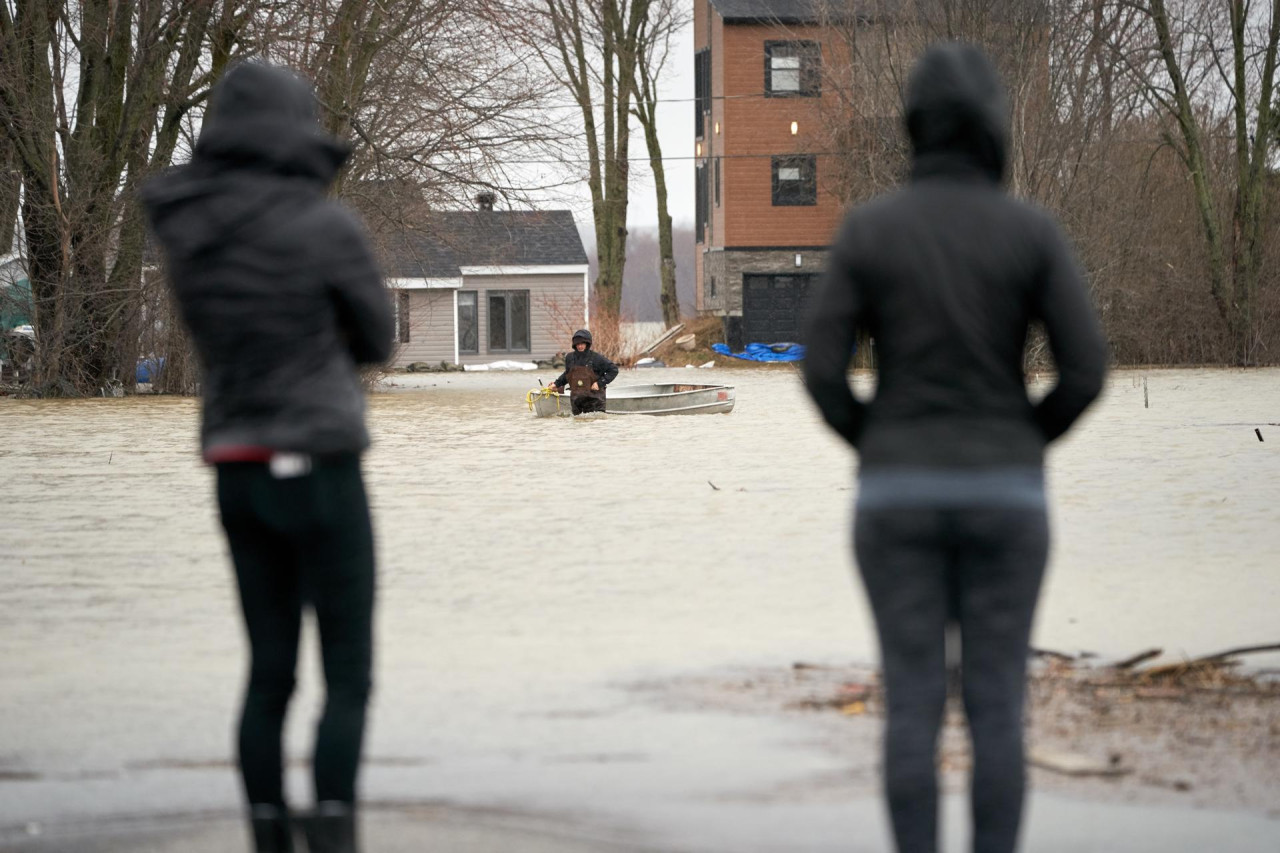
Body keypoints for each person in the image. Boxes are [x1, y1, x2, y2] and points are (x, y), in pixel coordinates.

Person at [802, 44, 1108, 853]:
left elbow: (822, 373)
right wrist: (1019, 441)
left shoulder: (869, 229)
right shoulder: (1030, 230)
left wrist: (878, 442)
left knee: (911, 702)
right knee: (996, 704)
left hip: (895, 496)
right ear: (993, 128)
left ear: (914, 127)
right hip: (1006, 496)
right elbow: (1086, 371)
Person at [142, 62, 393, 853]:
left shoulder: (188, 230)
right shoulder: (324, 225)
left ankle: (266, 836)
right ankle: (333, 836)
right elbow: (379, 337)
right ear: (294, 130)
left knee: (269, 669)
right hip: (321, 460)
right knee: (346, 671)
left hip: (236, 463)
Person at [550, 329, 619, 414]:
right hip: (576, 402)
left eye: (582, 344)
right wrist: (556, 384)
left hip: (595, 402)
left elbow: (613, 370)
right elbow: (567, 375)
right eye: (577, 344)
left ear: (587, 343)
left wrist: (599, 383)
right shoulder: (570, 357)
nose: (580, 346)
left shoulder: (597, 358)